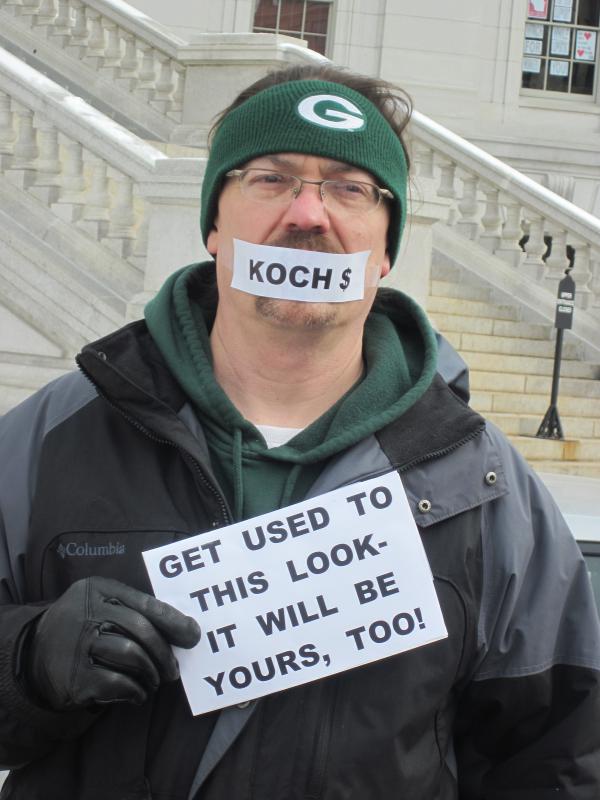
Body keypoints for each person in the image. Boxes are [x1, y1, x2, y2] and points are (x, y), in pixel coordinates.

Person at [0, 62, 598, 800]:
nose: (309, 216)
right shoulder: (44, 440)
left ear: (384, 248)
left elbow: (560, 755)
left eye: (350, 188)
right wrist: (26, 660)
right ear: (215, 224)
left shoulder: (486, 487)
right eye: (270, 179)